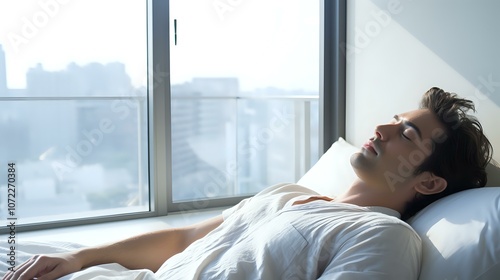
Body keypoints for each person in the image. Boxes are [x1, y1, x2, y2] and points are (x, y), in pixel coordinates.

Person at [3, 87, 493, 280]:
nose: (381, 129)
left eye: (407, 133)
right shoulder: (290, 194)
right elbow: (185, 238)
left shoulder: (384, 238)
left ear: (428, 183)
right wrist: (82, 257)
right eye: (393, 119)